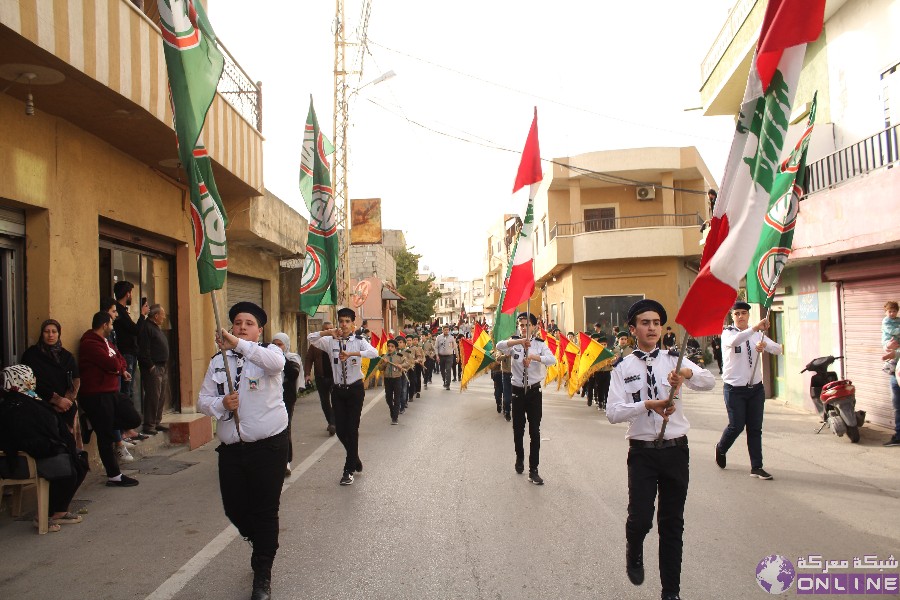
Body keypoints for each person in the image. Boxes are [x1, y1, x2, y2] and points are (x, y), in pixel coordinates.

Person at [606, 299, 714, 600]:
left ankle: (671, 592)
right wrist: (647, 406)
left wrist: (687, 376)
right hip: (642, 452)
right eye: (645, 323)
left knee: (672, 524)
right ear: (633, 329)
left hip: (676, 451)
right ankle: (634, 548)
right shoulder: (622, 367)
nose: (651, 327)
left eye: (656, 322)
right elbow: (613, 412)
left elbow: (710, 381)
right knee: (640, 518)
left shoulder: (675, 360)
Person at [197, 302, 288, 600]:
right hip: (233, 450)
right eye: (237, 323)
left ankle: (263, 572)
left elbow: (276, 365)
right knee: (234, 508)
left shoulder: (270, 355)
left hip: (268, 447)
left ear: (259, 330)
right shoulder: (218, 361)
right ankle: (261, 541)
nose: (242, 327)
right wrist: (220, 405)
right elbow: (202, 401)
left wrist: (238, 344)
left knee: (265, 511)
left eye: (249, 323)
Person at [0, 365, 88, 533]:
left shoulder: (30, 399)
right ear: (20, 380)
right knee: (67, 467)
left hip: (40, 452)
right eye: (29, 377)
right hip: (22, 460)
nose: (33, 381)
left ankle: (59, 511)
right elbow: (25, 438)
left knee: (80, 459)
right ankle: (42, 516)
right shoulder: (13, 406)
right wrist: (55, 446)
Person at [307, 307, 378, 485]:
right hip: (338, 390)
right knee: (340, 429)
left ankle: (348, 469)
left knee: (352, 429)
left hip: (355, 390)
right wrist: (328, 331)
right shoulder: (330, 342)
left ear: (353, 323)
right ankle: (355, 458)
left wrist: (353, 353)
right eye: (341, 321)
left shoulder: (358, 341)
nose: (344, 324)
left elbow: (374, 353)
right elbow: (311, 338)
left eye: (347, 321)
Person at [714, 302, 783, 480]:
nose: (740, 316)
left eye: (744, 313)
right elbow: (735, 341)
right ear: (732, 316)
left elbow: (778, 349)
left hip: (755, 389)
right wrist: (754, 329)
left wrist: (765, 346)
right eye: (737, 313)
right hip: (734, 389)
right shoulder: (728, 333)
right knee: (736, 426)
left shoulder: (758, 335)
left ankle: (756, 467)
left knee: (755, 429)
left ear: (748, 315)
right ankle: (721, 448)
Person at [78, 311, 141, 488]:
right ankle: (114, 476)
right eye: (111, 323)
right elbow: (112, 364)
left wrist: (118, 367)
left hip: (112, 392)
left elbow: (120, 360)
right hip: (97, 395)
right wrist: (117, 366)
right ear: (104, 325)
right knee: (105, 436)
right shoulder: (90, 344)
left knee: (133, 418)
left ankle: (94, 422)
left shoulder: (108, 342)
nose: (113, 327)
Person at [495, 312, 556, 485]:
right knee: (518, 430)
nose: (523, 328)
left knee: (534, 431)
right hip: (517, 391)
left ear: (534, 326)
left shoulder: (539, 344)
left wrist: (534, 357)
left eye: (526, 325)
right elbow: (499, 346)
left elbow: (551, 360)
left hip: (534, 392)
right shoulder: (514, 343)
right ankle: (519, 457)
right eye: (521, 325)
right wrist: (520, 341)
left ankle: (533, 469)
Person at [20, 319, 82, 453]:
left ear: (59, 334)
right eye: (46, 331)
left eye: (54, 332)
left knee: (70, 447)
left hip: (67, 408)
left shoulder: (66, 356)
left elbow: (76, 379)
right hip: (41, 407)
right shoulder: (31, 355)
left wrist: (67, 401)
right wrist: (56, 400)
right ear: (42, 334)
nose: (50, 335)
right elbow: (30, 383)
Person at [272, 332, 304, 476]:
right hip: (270, 398)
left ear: (286, 345)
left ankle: (286, 461)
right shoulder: (268, 359)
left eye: (280, 344)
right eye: (275, 344)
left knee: (285, 429)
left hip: (286, 398)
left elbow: (293, 374)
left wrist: (281, 358)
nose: (277, 347)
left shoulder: (292, 358)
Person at [112, 281, 148, 400]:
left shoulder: (122, 311)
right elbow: (135, 330)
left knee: (129, 388)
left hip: (129, 353)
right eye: (131, 293)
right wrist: (142, 315)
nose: (131, 296)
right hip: (126, 353)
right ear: (127, 294)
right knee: (127, 389)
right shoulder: (120, 311)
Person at [137, 304, 170, 435]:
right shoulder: (147, 328)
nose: (164, 317)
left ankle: (156, 421)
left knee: (161, 396)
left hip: (162, 366)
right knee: (153, 396)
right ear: (156, 316)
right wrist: (151, 366)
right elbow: (143, 350)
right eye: (162, 315)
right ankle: (149, 424)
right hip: (154, 367)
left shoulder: (156, 327)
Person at [304, 321, 337, 436]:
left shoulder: (337, 342)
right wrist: (307, 374)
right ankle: (331, 422)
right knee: (325, 402)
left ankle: (333, 423)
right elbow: (308, 359)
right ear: (323, 331)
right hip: (320, 377)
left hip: (334, 377)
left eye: (331, 329)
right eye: (326, 329)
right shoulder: (315, 344)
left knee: (335, 400)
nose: (329, 331)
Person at [377, 339, 405, 425]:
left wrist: (401, 365)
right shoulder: (384, 356)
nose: (390, 348)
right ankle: (392, 410)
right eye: (389, 346)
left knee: (397, 398)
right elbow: (380, 368)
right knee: (388, 398)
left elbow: (407, 363)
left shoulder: (400, 356)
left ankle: (395, 418)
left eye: (392, 347)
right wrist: (384, 363)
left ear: (395, 348)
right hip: (387, 379)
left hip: (397, 379)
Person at [435, 324, 457, 390]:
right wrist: (437, 355)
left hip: (449, 356)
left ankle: (448, 384)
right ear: (442, 330)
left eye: (447, 330)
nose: (446, 331)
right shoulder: (438, 337)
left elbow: (455, 347)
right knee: (442, 370)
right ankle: (444, 380)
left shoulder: (451, 338)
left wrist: (457, 356)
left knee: (448, 370)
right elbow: (436, 347)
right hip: (441, 356)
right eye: (445, 330)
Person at [881, 301, 900, 373]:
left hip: (896, 341)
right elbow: (891, 331)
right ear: (885, 312)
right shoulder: (886, 321)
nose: (892, 313)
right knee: (893, 353)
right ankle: (888, 366)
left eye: (894, 311)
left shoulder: (898, 319)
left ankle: (892, 366)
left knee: (896, 353)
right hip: (888, 340)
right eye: (890, 311)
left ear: (897, 311)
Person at [408, 334, 425, 399]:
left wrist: (422, 362)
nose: (415, 341)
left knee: (418, 377)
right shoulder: (408, 348)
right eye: (414, 340)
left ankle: (418, 391)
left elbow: (422, 357)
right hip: (411, 365)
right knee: (412, 379)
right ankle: (412, 391)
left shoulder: (419, 348)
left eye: (416, 340)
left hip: (418, 364)